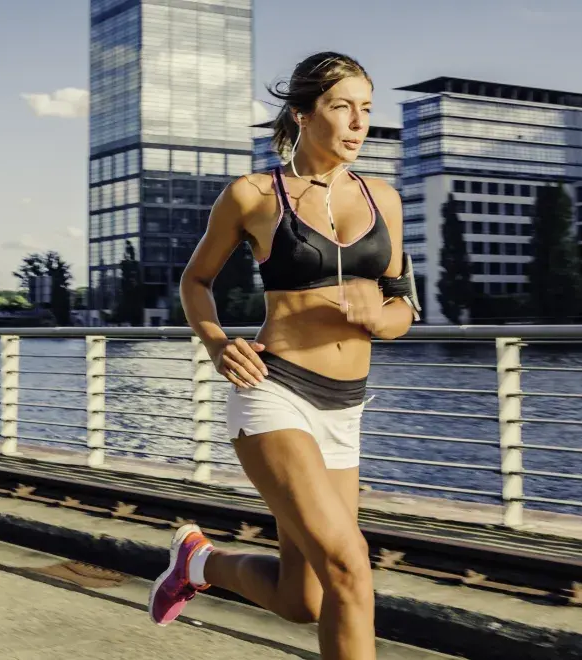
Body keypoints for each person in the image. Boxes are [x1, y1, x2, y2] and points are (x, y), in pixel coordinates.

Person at [148, 51, 419, 660]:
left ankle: (201, 563)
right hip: (276, 392)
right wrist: (218, 343)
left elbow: (405, 307)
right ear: (301, 113)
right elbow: (196, 282)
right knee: (350, 568)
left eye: (366, 109)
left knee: (307, 600)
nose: (358, 123)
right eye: (341, 107)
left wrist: (380, 315)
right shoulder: (252, 195)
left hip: (344, 410)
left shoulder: (385, 198)